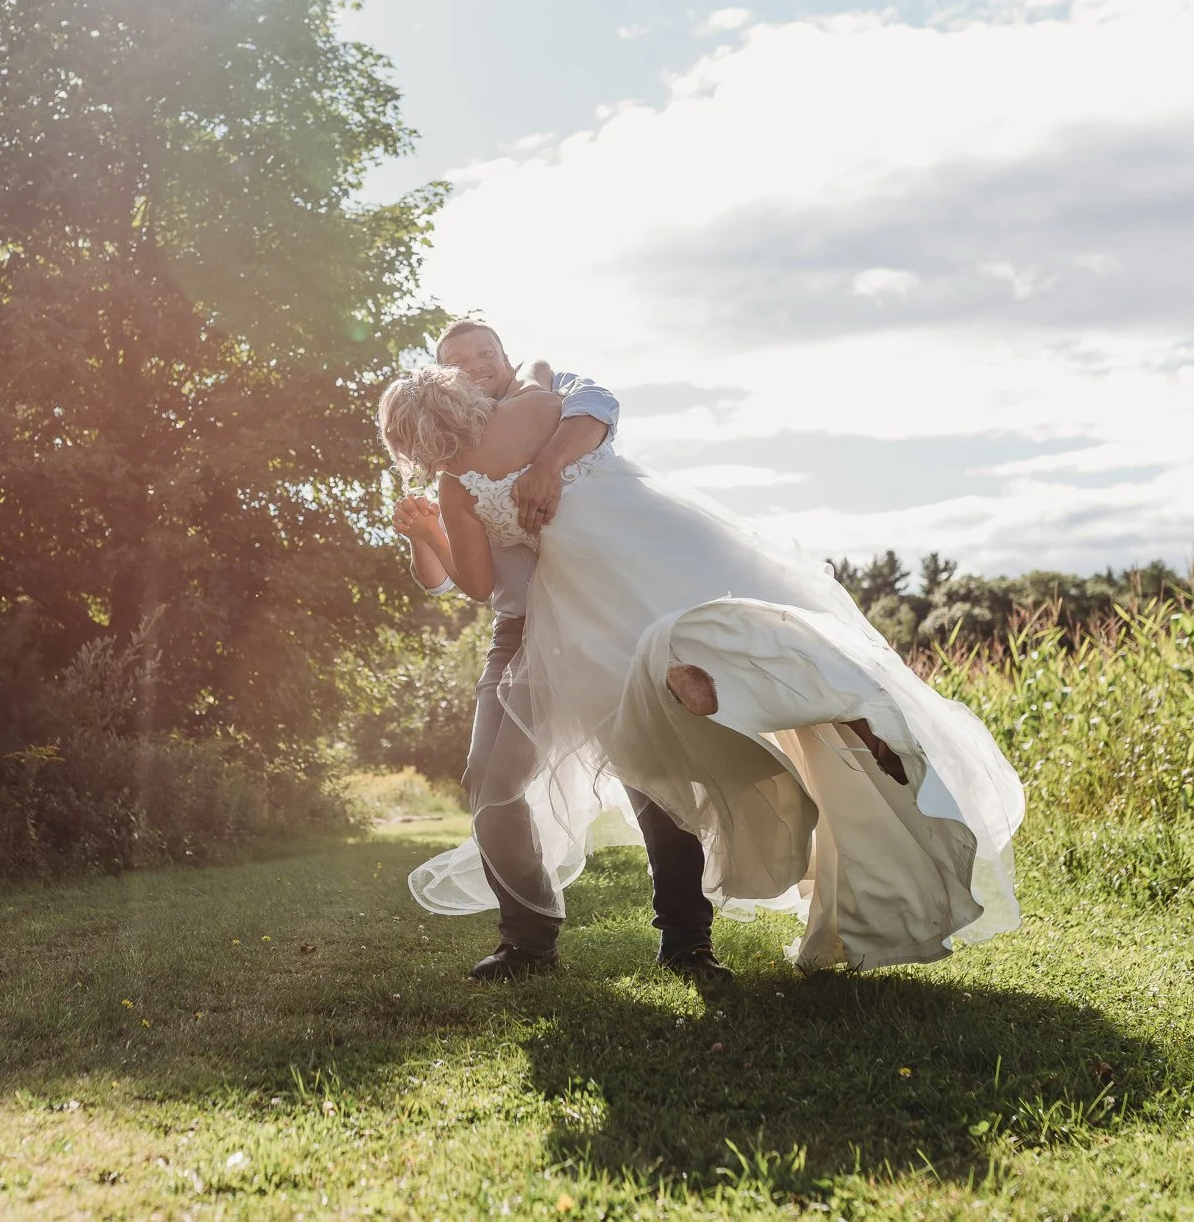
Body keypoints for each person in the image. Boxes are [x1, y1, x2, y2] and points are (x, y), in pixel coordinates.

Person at [379, 363, 1025, 972]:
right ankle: (825, 706)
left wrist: (435, 530)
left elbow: (479, 581)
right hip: (671, 547)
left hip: (586, 603)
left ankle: (691, 914)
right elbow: (584, 408)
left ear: (411, 439)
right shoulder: (544, 405)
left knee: (653, 757)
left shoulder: (456, 481)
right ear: (460, 390)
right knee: (725, 659)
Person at [390, 320, 726, 982]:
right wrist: (427, 529)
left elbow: (598, 406)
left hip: (611, 615)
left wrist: (545, 462)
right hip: (519, 632)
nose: (473, 364)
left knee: (653, 772)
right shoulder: (454, 479)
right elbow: (479, 585)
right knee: (490, 778)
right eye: (456, 359)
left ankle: (686, 940)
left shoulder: (552, 400)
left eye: (484, 351)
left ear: (504, 358)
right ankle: (528, 938)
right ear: (442, 381)